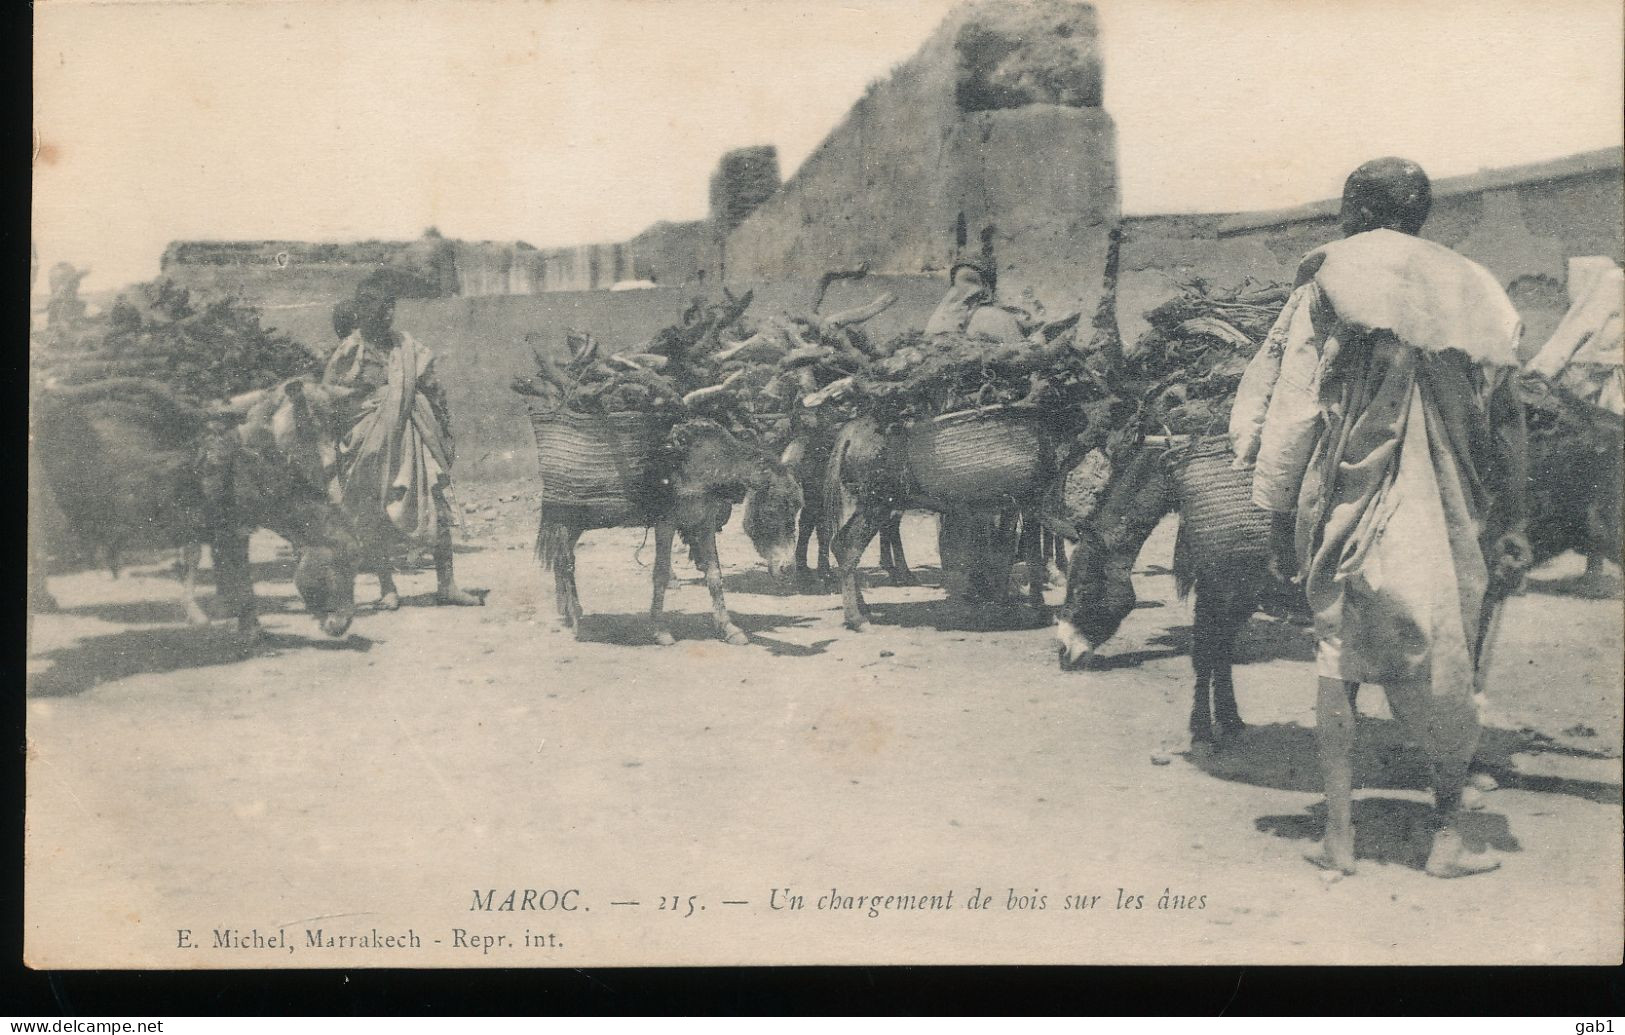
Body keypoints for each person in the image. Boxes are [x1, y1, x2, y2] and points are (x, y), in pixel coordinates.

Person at [1229, 158, 1532, 879]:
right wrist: (1513, 519)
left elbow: (1292, 406)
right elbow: (1508, 417)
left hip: (1349, 506)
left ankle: (1338, 839)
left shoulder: (1328, 280)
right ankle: (1449, 833)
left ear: (1358, 211)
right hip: (1450, 512)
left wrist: (1274, 515)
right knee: (1447, 660)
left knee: (1337, 662)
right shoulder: (1474, 285)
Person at [323, 276, 480, 607]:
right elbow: (332, 396)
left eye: (390, 308)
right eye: (380, 309)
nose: (387, 315)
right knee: (373, 512)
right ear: (364, 311)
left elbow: (433, 388)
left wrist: (444, 429)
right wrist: (365, 397)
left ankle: (447, 584)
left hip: (412, 437)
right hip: (370, 443)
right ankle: (387, 588)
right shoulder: (351, 349)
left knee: (436, 505)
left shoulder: (406, 347)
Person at [926, 258, 1030, 601]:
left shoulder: (940, 319)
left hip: (952, 432)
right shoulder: (999, 317)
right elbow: (1022, 369)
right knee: (1005, 508)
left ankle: (965, 586)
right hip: (1000, 428)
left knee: (960, 513)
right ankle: (994, 584)